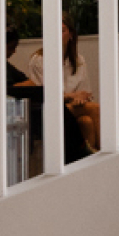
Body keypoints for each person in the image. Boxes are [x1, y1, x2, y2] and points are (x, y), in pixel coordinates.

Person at [28, 13, 99, 151]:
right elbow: (44, 96)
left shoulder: (78, 60)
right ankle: (105, 155)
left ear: (71, 34)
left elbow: (85, 94)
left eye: (61, 31)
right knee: (95, 109)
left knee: (87, 122)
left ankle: (86, 163)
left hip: (71, 109)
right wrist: (72, 97)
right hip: (47, 110)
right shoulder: (38, 60)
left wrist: (80, 99)